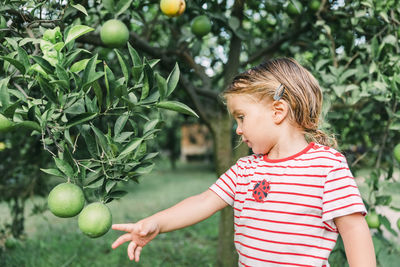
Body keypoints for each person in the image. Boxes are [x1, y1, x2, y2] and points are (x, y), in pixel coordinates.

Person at [111, 58, 376, 266]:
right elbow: (204, 202)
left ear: (278, 111)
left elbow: (353, 229)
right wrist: (157, 222)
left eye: (241, 117)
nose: (238, 129)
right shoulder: (246, 169)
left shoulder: (327, 165)